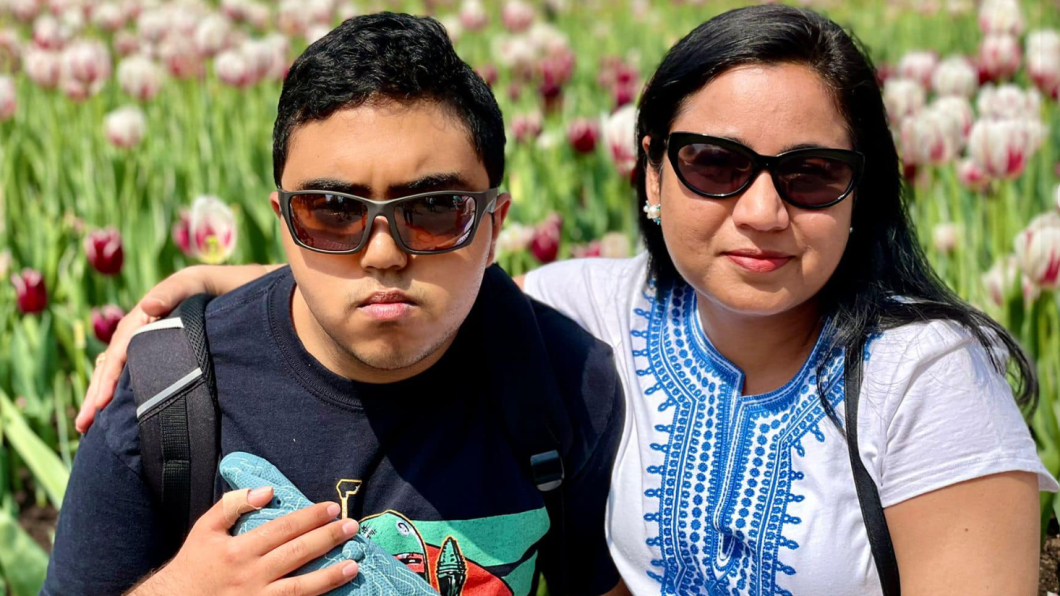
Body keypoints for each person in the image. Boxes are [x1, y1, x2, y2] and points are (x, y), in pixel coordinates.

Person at [83, 5, 1059, 596]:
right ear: (650, 174)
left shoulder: (921, 373)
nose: (761, 208)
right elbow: (414, 281)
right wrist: (231, 288)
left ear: (862, 190)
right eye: (714, 163)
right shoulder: (591, 308)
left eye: (809, 175)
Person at [46, 13, 628, 596]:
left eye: (432, 211)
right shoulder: (172, 398)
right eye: (331, 210)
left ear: (493, 226)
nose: (382, 253)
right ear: (283, 223)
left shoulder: (563, 381)